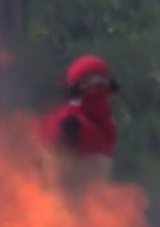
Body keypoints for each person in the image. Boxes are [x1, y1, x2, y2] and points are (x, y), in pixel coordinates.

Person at [36, 54, 120, 185]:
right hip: (79, 196)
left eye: (100, 82)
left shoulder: (102, 124)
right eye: (91, 82)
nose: (96, 86)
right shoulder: (72, 122)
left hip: (84, 196)